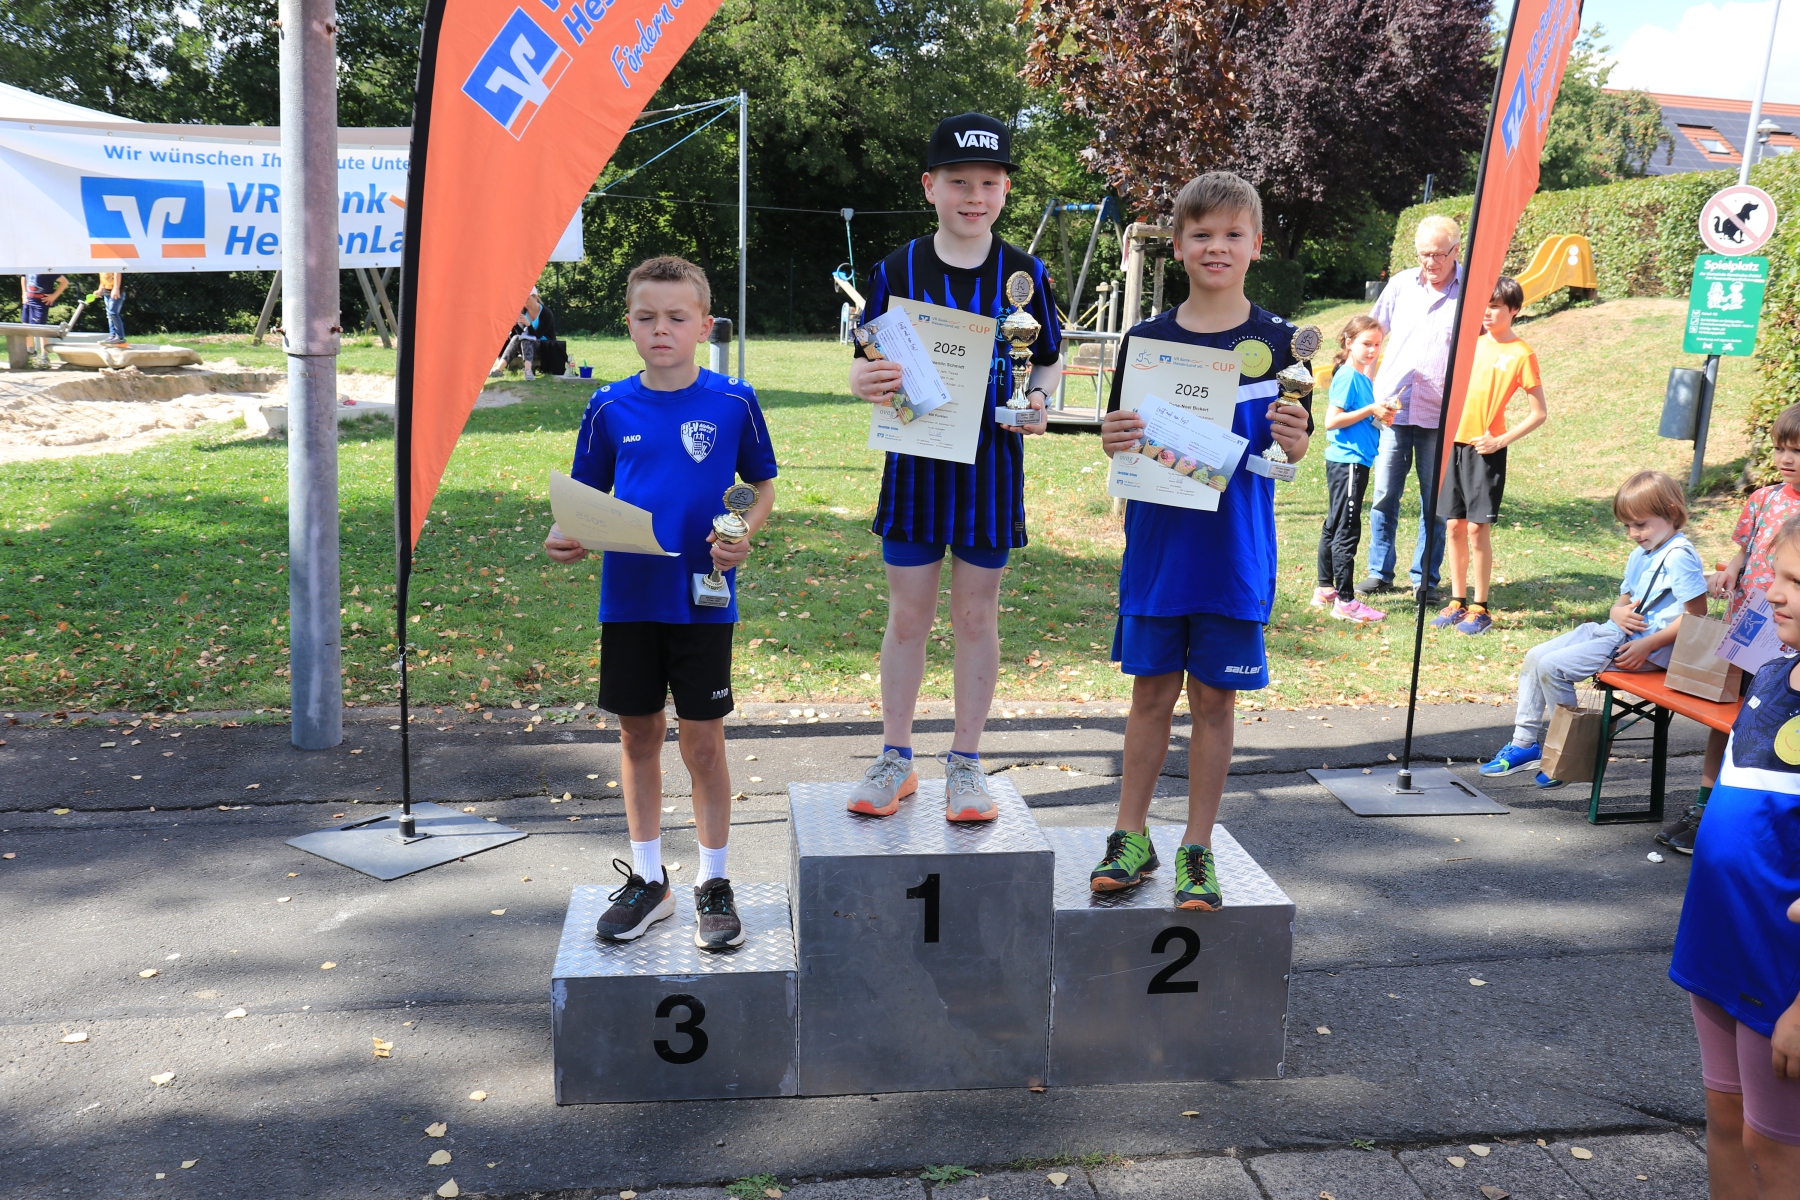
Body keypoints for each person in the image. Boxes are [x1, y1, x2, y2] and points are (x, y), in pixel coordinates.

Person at [1088, 171, 1313, 909]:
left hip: (1233, 553)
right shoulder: (1145, 341)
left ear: (1256, 244)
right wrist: (1112, 436)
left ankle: (1197, 846)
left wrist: (1296, 440)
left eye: (1232, 234)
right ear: (1179, 246)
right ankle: (1131, 835)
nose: (1217, 247)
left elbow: (1288, 455)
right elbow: (1121, 439)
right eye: (1202, 234)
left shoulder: (1283, 343)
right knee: (1150, 694)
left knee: (1215, 701)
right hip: (1159, 549)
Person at [542, 256, 777, 948]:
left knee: (703, 743)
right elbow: (582, 502)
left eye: (677, 317)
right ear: (629, 325)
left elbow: (761, 486)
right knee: (637, 735)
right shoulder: (609, 406)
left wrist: (742, 536)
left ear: (704, 325)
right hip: (630, 601)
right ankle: (649, 881)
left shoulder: (734, 401)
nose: (661, 329)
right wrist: (566, 535)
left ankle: (713, 882)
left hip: (703, 603)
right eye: (647, 317)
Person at [844, 113, 1063, 823]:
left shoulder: (1027, 274)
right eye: (959, 182)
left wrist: (1039, 401)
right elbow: (866, 364)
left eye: (989, 183)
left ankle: (966, 763)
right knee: (908, 617)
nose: (975, 196)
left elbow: (1047, 361)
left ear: (1005, 191)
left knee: (975, 615)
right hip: (915, 461)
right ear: (929, 185)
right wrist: (862, 382)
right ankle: (896, 757)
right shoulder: (896, 269)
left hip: (990, 468)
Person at [1669, 513, 1800, 1200]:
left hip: (1784, 965)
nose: (1773, 592)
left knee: (1773, 1147)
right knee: (1725, 1120)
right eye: (1777, 575)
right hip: (1721, 936)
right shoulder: (1774, 672)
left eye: (1796, 583)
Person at [1479, 470, 1708, 786]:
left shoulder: (1679, 555)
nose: (1633, 533)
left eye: (1640, 524)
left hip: (1644, 649)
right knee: (1535, 657)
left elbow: (1697, 616)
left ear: (1670, 512)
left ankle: (1569, 754)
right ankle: (1524, 744)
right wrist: (1616, 612)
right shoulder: (1641, 553)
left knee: (1553, 667)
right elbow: (1622, 602)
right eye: (1627, 526)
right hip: (1617, 633)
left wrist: (1649, 645)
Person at [1665, 405, 1800, 853]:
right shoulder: (1763, 499)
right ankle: (1704, 807)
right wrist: (1730, 571)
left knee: (1770, 728)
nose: (1786, 459)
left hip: (1789, 642)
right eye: (1780, 449)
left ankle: (1745, 817)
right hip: (1748, 628)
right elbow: (1744, 550)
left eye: (1798, 451)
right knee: (1729, 719)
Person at [1432, 276, 1548, 636]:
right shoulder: (1470, 345)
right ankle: (1457, 601)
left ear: (1514, 310)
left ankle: (1480, 608)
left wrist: (1500, 441)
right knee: (1453, 526)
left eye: (1495, 306)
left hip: (1486, 450)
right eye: (1485, 304)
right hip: (1454, 445)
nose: (1487, 312)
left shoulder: (1522, 353)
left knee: (1477, 528)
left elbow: (1539, 413)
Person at [1358, 215, 1462, 605]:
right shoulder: (1401, 285)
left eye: (1438, 255)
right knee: (1385, 494)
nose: (1430, 262)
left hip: (1441, 414)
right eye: (1423, 254)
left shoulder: (1469, 291)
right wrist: (1364, 392)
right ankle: (1379, 572)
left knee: (1434, 503)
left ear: (1456, 250)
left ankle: (1425, 580)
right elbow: (1371, 337)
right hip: (1392, 410)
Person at [1313, 314, 1388, 623]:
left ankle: (1325, 589)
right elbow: (1332, 420)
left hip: (1353, 460)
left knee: (1335, 523)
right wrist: (1370, 409)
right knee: (1346, 529)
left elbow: (1355, 417)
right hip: (1349, 462)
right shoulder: (1348, 376)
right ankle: (1345, 601)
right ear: (1348, 342)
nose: (1372, 351)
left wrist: (1377, 416)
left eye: (1378, 345)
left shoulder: (1360, 378)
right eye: (1366, 344)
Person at [20, 273, 67, 362]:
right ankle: (30, 351)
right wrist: (24, 293)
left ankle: (44, 356)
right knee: (25, 326)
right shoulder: (28, 266)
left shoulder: (46, 270)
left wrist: (54, 296)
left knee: (41, 329)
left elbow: (64, 282)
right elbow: (23, 277)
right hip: (28, 301)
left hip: (40, 303)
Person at [96, 270, 127, 345]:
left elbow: (117, 272)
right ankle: (112, 336)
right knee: (110, 315)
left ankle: (120, 337)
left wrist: (116, 289)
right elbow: (103, 276)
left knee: (113, 313)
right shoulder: (101, 265)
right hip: (107, 292)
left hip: (116, 292)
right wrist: (100, 289)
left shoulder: (112, 263)